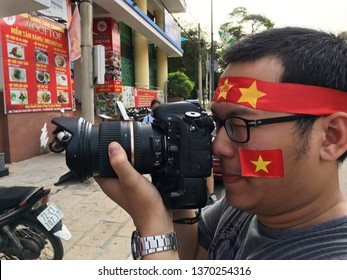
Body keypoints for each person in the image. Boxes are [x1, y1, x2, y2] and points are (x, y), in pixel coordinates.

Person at [95, 27, 347, 260]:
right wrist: (175, 197)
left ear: (331, 137)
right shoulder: (249, 205)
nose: (218, 146)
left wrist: (150, 221)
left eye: (239, 125)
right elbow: (192, 256)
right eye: (217, 123)